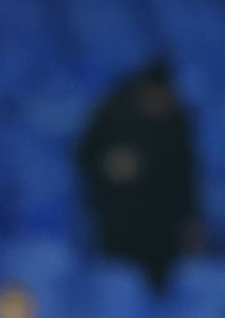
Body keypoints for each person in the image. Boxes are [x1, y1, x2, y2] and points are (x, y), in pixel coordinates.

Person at [76, 59, 201, 289]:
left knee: (160, 284)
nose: (159, 103)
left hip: (160, 222)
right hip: (118, 216)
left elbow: (186, 175)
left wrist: (190, 219)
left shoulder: (176, 121)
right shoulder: (113, 112)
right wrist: (111, 164)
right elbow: (84, 155)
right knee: (119, 285)